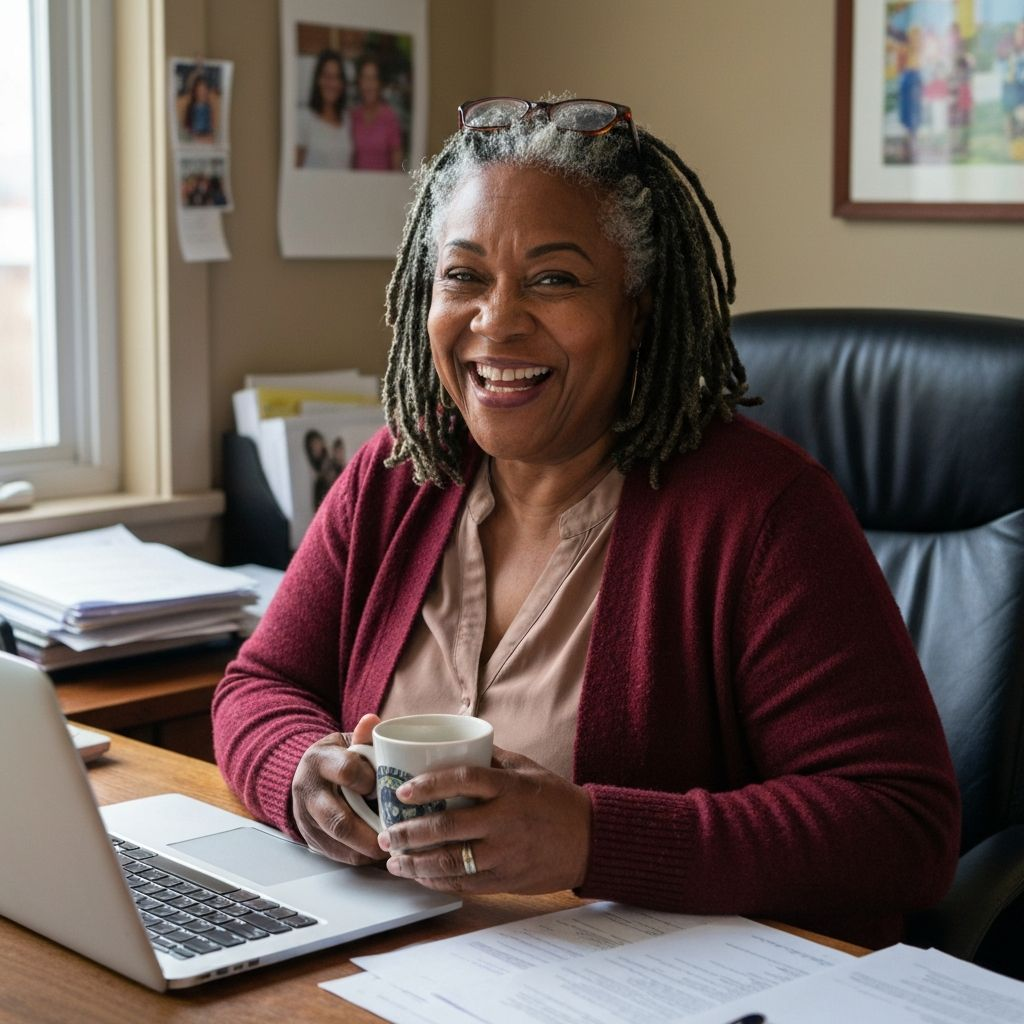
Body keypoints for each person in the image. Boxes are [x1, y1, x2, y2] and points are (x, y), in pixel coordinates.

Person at [214, 96, 959, 950]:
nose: (496, 321)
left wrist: (590, 836)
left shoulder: (763, 513)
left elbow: (902, 827)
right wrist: (297, 777)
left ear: (638, 311)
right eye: (464, 276)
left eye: (554, 279)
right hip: (394, 969)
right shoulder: (400, 471)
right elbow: (257, 688)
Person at [295, 49, 352, 170]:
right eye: (327, 76)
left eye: (337, 77)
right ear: (318, 80)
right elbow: (295, 169)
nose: (332, 83)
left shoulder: (347, 119)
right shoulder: (305, 119)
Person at [350, 56, 403, 171]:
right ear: (359, 83)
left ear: (380, 84)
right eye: (365, 78)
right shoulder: (353, 116)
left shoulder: (390, 117)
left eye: (373, 79)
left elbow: (397, 165)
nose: (369, 85)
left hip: (382, 186)